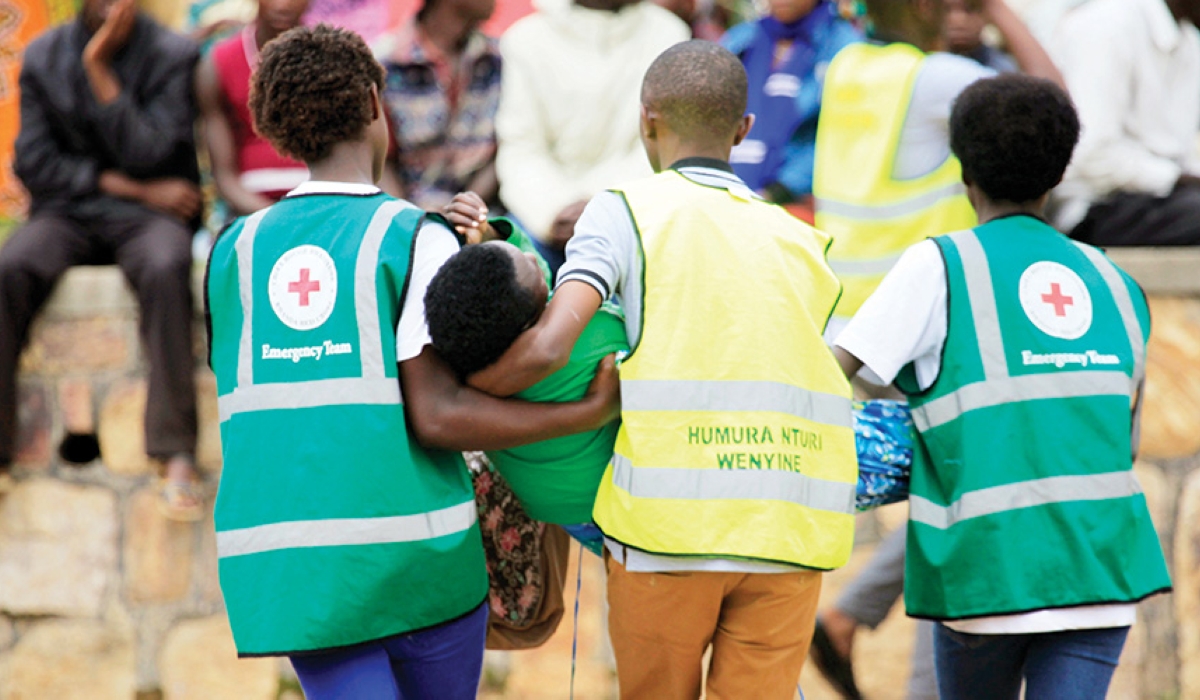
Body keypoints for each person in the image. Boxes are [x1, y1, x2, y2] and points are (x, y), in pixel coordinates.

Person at [204, 25, 618, 699]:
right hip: (414, 559)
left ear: (276, 132)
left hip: (293, 573)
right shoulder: (410, 236)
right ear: (375, 103)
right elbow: (438, 413)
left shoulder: (231, 253)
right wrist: (585, 410)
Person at [460, 40, 858, 698]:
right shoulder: (800, 238)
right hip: (791, 529)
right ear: (743, 130)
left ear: (646, 119)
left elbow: (552, 345)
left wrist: (460, 402)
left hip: (670, 533)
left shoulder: (622, 212)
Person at [833, 73, 1172, 700]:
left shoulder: (939, 266)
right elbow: (1119, 437)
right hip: (1101, 567)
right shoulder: (1114, 282)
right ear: (1059, 174)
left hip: (987, 570)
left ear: (965, 171)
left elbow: (830, 375)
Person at [1, 0, 203, 517]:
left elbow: (155, 151)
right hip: (70, 213)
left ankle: (175, 452)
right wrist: (130, 187)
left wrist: (99, 69)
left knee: (165, 265)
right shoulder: (44, 55)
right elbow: (34, 163)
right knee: (10, 268)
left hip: (150, 222)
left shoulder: (172, 54)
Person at [813, 0, 1061, 331]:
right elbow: (1055, 107)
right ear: (925, 6)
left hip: (846, 313)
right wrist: (996, 9)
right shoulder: (934, 77)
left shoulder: (845, 65)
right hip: (919, 317)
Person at [425, 208, 628, 553]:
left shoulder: (467, 359)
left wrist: (491, 236)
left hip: (560, 510)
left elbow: (528, 285)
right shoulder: (594, 337)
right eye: (528, 263)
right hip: (611, 500)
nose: (534, 257)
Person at [493, 0, 689, 274]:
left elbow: (664, 143)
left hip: (633, 213)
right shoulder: (525, 39)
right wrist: (552, 213)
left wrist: (599, 208)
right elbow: (520, 146)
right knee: (516, 268)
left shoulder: (668, 34)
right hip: (545, 220)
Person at [1049, 0, 1200, 246]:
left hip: (1165, 200)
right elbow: (1088, 155)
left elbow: (1178, 150)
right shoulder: (1106, 24)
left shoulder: (1189, 39)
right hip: (1092, 207)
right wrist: (1177, 178)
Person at [721, 0, 862, 217]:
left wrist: (780, 191)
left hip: (799, 208)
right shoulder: (739, 41)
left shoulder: (846, 48)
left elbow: (845, 135)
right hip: (727, 201)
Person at [373, 0, 502, 212]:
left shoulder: (500, 59)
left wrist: (465, 209)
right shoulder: (385, 62)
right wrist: (411, 220)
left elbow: (505, 153)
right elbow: (379, 162)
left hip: (483, 215)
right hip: (403, 216)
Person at [195, 0, 311, 218]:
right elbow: (224, 177)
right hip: (249, 208)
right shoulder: (219, 63)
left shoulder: (333, 61)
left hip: (319, 204)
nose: (283, 6)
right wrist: (273, 217)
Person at [940, 0, 1016, 71]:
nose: (958, 20)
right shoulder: (930, 63)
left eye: (970, 9)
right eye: (946, 9)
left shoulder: (1000, 67)